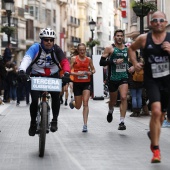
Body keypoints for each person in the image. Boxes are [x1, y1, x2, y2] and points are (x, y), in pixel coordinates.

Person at [128, 11, 170, 163]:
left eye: (161, 20)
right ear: (151, 23)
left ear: (165, 23)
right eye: (155, 20)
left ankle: (153, 133)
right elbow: (131, 49)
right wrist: (135, 63)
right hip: (152, 80)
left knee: (162, 115)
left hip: (167, 81)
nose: (158, 22)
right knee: (156, 111)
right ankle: (156, 149)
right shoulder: (144, 39)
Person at [18, 28, 70, 136]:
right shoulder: (35, 48)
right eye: (46, 40)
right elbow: (27, 59)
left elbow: (64, 62)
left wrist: (67, 73)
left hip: (53, 76)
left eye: (51, 40)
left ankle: (54, 120)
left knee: (56, 97)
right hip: (36, 76)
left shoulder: (57, 49)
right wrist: (22, 71)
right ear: (41, 40)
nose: (49, 42)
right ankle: (33, 123)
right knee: (35, 100)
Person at [99, 29, 129, 130]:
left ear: (123, 37)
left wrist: (132, 67)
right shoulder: (110, 49)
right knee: (113, 101)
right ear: (114, 37)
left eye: (121, 36)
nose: (119, 37)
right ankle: (110, 110)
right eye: (118, 36)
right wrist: (113, 61)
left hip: (124, 76)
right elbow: (101, 63)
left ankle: (121, 122)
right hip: (113, 78)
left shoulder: (127, 49)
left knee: (124, 97)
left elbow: (130, 61)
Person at [69, 43, 95, 132]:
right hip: (77, 83)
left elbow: (93, 69)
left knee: (86, 102)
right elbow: (68, 71)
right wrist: (77, 74)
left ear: (85, 50)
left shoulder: (89, 59)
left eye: (84, 50)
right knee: (78, 106)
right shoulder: (74, 59)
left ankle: (85, 125)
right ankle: (73, 103)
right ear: (78, 50)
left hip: (86, 83)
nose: (82, 52)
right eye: (80, 50)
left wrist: (90, 72)